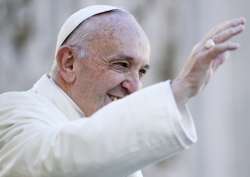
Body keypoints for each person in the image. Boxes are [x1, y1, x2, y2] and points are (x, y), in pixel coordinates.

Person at [0, 4, 246, 177]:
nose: (134, 86)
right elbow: (58, 164)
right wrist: (178, 92)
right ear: (69, 63)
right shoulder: (12, 111)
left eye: (141, 72)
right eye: (121, 65)